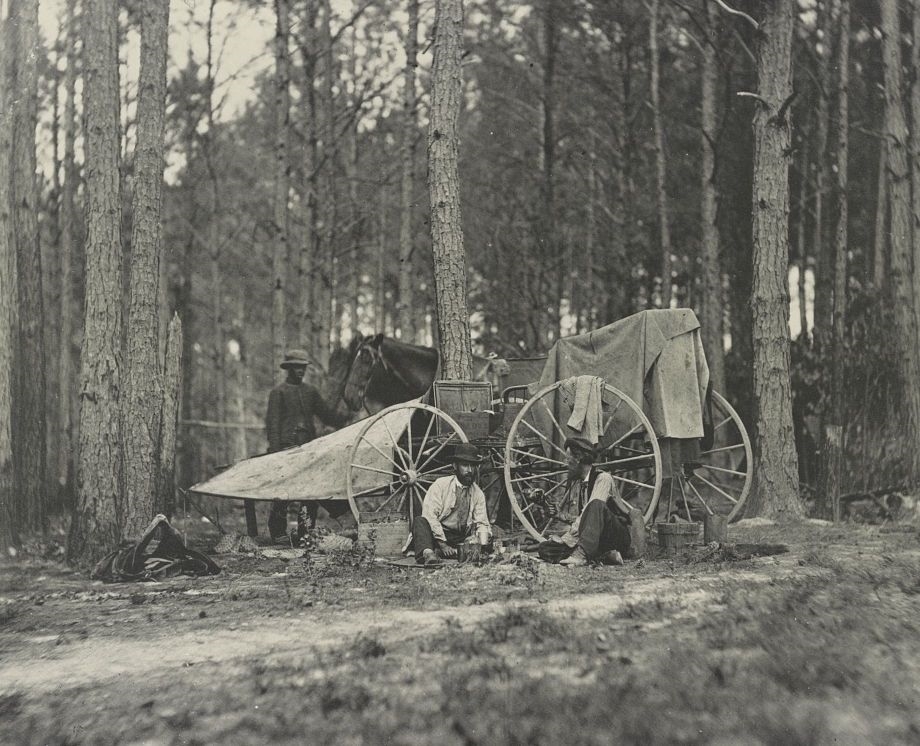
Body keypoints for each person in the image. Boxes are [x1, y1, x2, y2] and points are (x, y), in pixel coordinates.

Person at [266, 349, 348, 541]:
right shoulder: (278, 393)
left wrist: (345, 417)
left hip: (308, 448)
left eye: (303, 367)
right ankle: (278, 533)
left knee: (311, 491)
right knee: (282, 491)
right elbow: (273, 425)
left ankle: (306, 531)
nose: (301, 371)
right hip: (286, 448)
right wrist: (276, 453)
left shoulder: (310, 392)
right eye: (297, 367)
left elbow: (326, 415)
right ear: (289, 368)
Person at [542, 436, 631, 567]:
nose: (565, 463)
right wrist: (559, 515)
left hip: (614, 535)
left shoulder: (603, 478)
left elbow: (593, 511)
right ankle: (604, 555)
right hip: (594, 538)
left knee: (595, 504)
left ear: (578, 459)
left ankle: (582, 556)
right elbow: (586, 521)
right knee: (545, 549)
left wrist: (566, 539)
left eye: (567, 458)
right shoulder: (580, 484)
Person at [412, 443, 492, 565]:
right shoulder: (441, 485)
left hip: (459, 537)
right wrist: (443, 545)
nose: (470, 470)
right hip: (437, 534)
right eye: (465, 465)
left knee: (487, 540)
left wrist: (477, 538)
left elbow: (482, 522)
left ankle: (448, 552)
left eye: (473, 466)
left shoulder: (478, 493)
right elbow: (430, 516)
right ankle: (429, 554)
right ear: (455, 466)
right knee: (420, 521)